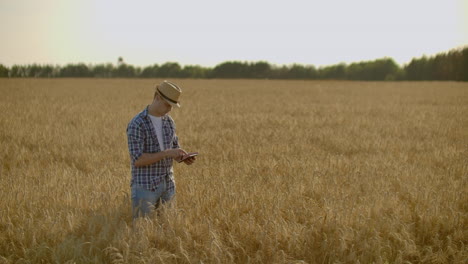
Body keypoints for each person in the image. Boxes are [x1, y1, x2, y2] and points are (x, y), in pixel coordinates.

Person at [126, 80, 195, 218]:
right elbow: (138, 160)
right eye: (167, 105)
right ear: (157, 97)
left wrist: (181, 156)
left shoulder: (169, 122)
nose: (170, 109)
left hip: (168, 185)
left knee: (168, 230)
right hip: (145, 187)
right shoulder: (137, 124)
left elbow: (174, 148)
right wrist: (168, 153)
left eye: (172, 106)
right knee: (142, 231)